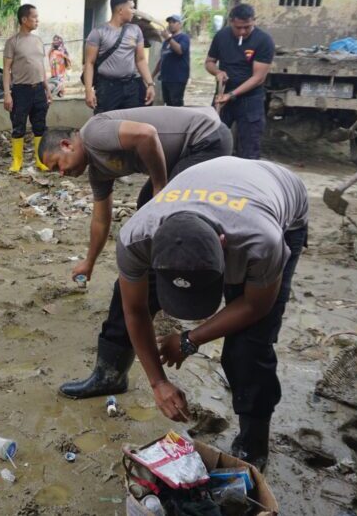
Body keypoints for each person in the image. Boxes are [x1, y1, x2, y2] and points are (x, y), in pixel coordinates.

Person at [117, 156, 308, 469]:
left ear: (222, 244)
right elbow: (134, 309)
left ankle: (253, 442)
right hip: (218, 191)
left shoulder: (263, 240)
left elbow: (255, 305)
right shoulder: (136, 236)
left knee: (249, 344)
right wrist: (158, 382)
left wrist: (189, 340)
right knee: (126, 295)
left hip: (280, 197)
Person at [38, 106, 233, 399]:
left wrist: (160, 188)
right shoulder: (98, 171)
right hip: (186, 152)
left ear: (67, 144)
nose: (62, 174)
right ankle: (116, 361)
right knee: (147, 216)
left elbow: (147, 134)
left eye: (57, 166)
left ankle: (155, 298)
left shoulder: (93, 132)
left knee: (156, 243)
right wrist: (89, 262)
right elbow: (101, 219)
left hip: (205, 143)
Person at [206, 3, 275, 159]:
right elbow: (209, 62)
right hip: (222, 98)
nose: (243, 32)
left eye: (247, 27)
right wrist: (217, 72)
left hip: (250, 100)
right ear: (231, 21)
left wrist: (232, 95)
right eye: (238, 28)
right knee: (213, 142)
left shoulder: (264, 41)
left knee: (249, 149)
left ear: (254, 21)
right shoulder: (221, 36)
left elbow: (258, 78)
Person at [83, 0, 156, 114]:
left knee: (133, 120)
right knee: (106, 121)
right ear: (120, 10)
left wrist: (150, 84)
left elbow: (141, 60)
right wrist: (88, 91)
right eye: (131, 8)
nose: (134, 12)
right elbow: (89, 63)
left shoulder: (135, 30)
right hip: (107, 88)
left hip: (131, 86)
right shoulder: (99, 32)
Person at [3, 4, 51, 173]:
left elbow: (41, 67)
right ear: (24, 19)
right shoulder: (12, 42)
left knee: (40, 126)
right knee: (18, 126)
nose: (37, 20)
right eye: (34, 17)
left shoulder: (38, 41)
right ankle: (17, 161)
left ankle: (40, 160)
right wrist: (7, 94)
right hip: (20, 91)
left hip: (38, 90)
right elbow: (6, 70)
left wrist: (47, 89)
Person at [154, 15, 190, 107]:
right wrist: (152, 75)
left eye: (174, 22)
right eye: (169, 22)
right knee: (168, 104)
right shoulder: (166, 42)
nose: (171, 24)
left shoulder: (184, 37)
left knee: (176, 103)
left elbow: (180, 50)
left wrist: (168, 38)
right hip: (166, 78)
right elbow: (162, 59)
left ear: (180, 24)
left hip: (177, 78)